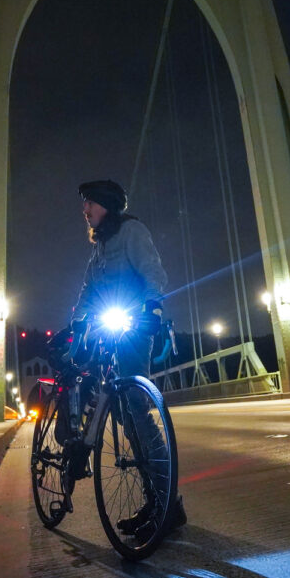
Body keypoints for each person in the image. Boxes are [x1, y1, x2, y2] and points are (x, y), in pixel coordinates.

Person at [64, 179, 186, 539]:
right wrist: (75, 324)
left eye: (89, 204)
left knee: (136, 410)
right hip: (108, 335)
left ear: (106, 205)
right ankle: (155, 500)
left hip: (135, 328)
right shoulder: (100, 247)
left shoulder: (132, 231)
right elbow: (88, 290)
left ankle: (168, 505)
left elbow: (153, 271)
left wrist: (153, 306)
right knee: (119, 411)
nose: (85, 210)